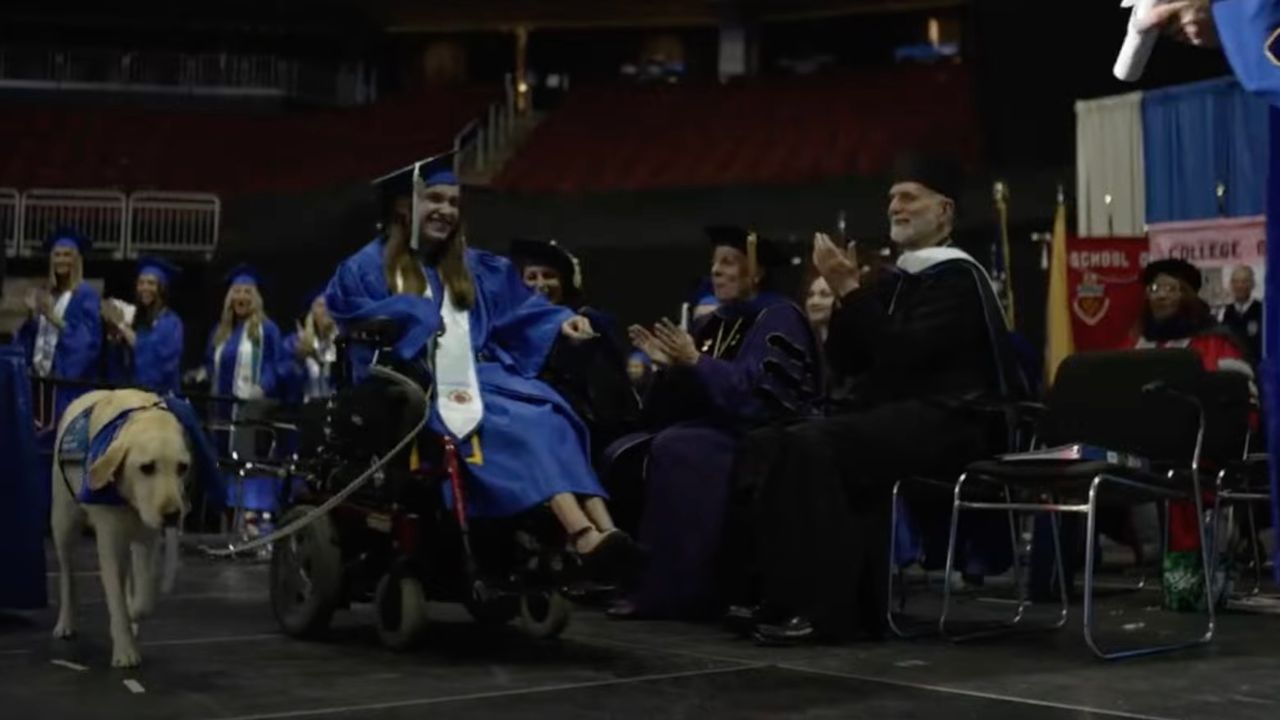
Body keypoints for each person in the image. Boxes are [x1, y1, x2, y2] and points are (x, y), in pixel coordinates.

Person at [735, 156, 1026, 644]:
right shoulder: (896, 280)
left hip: (956, 419)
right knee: (770, 441)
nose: (895, 206)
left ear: (945, 211)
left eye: (909, 196)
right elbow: (850, 361)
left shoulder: (958, 278)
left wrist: (850, 288)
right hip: (899, 418)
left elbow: (905, 354)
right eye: (891, 198)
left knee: (818, 446)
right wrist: (851, 295)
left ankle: (831, 612)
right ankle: (774, 594)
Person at [324, 154, 638, 576]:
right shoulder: (366, 266)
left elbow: (521, 310)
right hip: (420, 383)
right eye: (434, 198)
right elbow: (350, 313)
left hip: (485, 374)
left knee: (555, 414)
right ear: (403, 207)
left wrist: (563, 321)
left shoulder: (473, 268)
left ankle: (608, 531)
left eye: (453, 202)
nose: (446, 210)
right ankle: (581, 533)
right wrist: (411, 313)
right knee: (520, 425)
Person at [604, 226, 822, 620]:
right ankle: (633, 578)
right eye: (714, 263)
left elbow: (762, 398)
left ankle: (680, 591)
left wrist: (696, 363)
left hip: (762, 436)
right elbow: (686, 398)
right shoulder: (718, 321)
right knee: (625, 449)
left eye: (728, 263)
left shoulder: (779, 317)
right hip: (715, 428)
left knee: (677, 449)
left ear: (755, 272)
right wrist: (668, 370)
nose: (716, 272)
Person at [16, 228, 101, 426]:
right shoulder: (47, 293)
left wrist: (53, 317)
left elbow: (88, 344)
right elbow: (30, 341)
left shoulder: (86, 296)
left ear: (77, 260)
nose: (61, 260)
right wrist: (31, 316)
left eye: (67, 255)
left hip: (66, 389)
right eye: (57, 255)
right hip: (38, 385)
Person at [102, 256, 185, 394]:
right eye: (141, 283)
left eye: (151, 283)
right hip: (131, 396)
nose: (145, 288)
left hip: (161, 399)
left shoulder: (171, 323)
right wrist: (114, 338)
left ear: (162, 288)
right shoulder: (136, 321)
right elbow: (121, 365)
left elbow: (156, 362)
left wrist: (122, 326)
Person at [281, 291, 340, 405]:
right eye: (320, 305)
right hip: (304, 409)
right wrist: (298, 361)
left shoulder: (343, 341)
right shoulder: (293, 343)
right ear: (311, 312)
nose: (326, 310)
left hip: (336, 410)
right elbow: (285, 379)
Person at [1220, 265, 1263, 361]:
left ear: (1252, 284)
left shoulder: (1262, 310)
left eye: (1244, 282)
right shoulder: (1224, 312)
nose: (1239, 286)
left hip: (1257, 368)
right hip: (1232, 368)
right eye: (1235, 282)